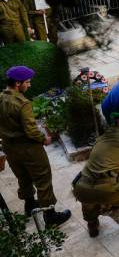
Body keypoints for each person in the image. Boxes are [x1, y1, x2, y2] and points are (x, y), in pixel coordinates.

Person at [0, 66, 71, 226]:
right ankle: (50, 215)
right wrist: (43, 138)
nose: (29, 85)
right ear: (18, 84)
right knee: (43, 178)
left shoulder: (1, 98)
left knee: (22, 176)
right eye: (27, 82)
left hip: (9, 148)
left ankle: (30, 204)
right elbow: (31, 131)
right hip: (28, 148)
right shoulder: (22, 103)